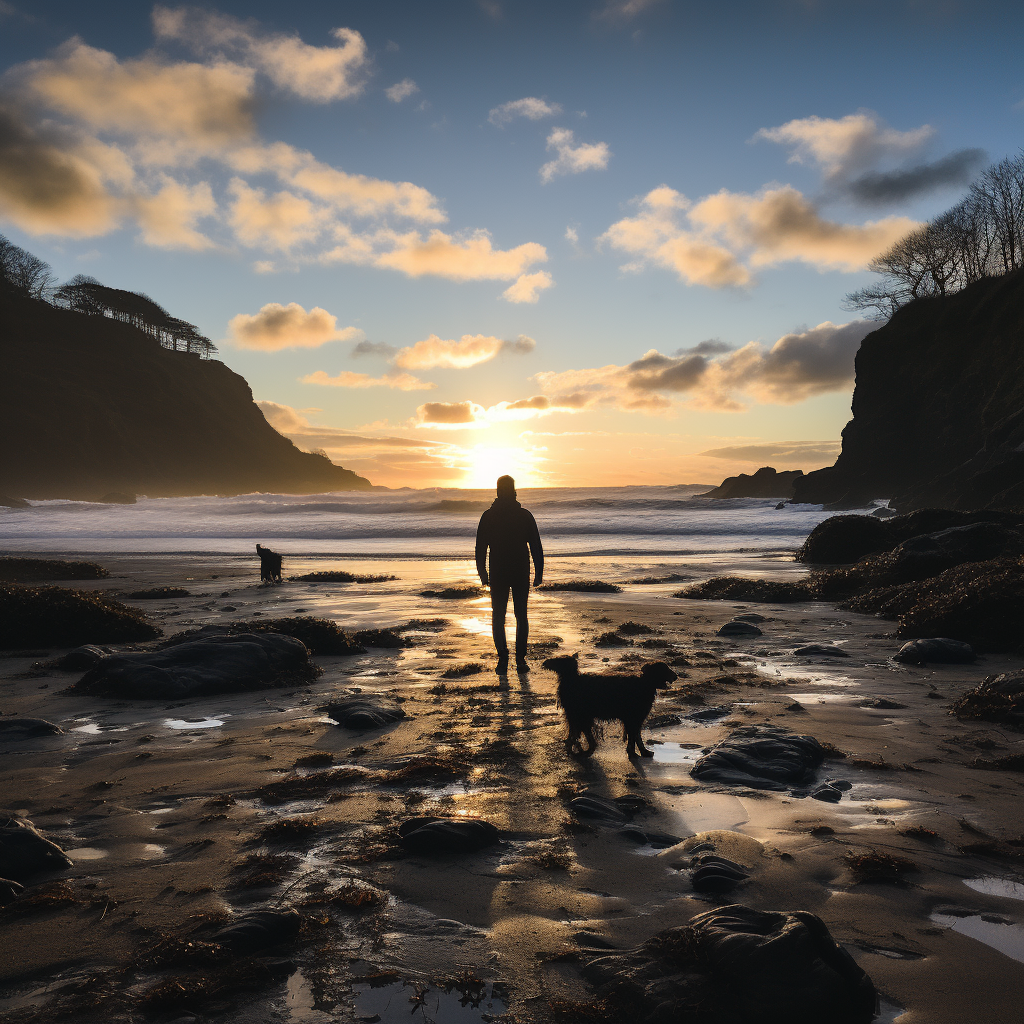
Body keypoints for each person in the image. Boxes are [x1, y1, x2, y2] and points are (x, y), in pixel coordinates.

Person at [475, 475, 543, 674]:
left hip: (503, 571)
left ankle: (508, 659)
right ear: (514, 492)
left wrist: (483, 574)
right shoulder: (521, 515)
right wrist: (538, 573)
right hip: (514, 571)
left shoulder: (490, 515)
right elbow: (536, 547)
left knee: (503, 616)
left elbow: (480, 549)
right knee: (515, 615)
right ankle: (514, 659)